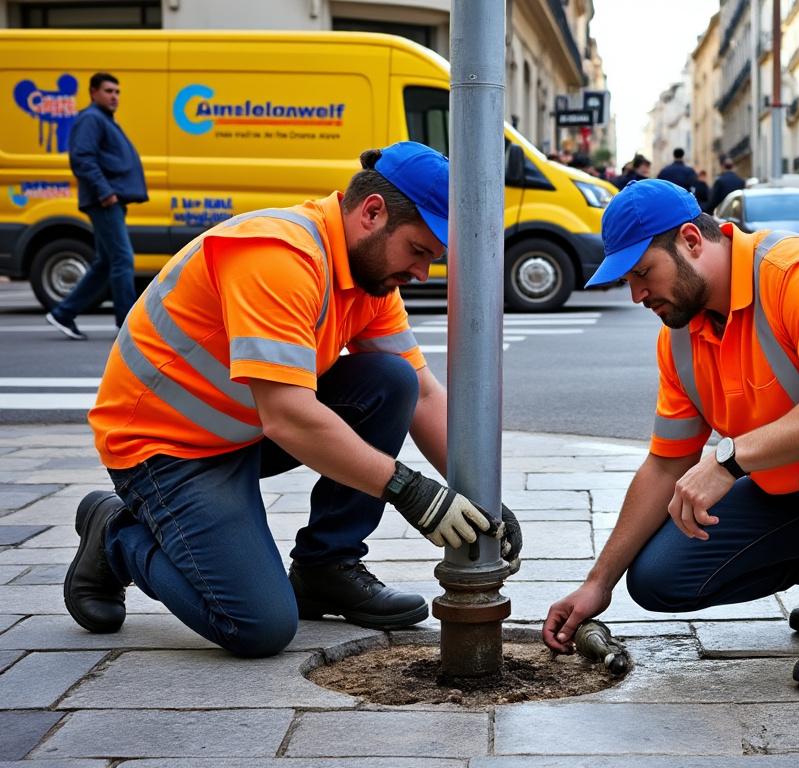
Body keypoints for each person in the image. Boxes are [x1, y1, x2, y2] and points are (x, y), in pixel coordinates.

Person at [63, 142, 523, 657]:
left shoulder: (369, 281)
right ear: (372, 214)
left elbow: (423, 394)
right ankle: (115, 532)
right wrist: (410, 491)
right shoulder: (279, 256)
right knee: (258, 627)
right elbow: (287, 418)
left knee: (393, 381)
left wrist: (485, 498)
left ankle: (327, 568)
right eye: (419, 251)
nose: (422, 273)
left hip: (242, 431)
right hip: (166, 452)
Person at [542, 179, 799, 691]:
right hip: (798, 490)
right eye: (628, 280)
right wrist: (596, 585)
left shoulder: (798, 274)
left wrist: (727, 460)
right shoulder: (679, 339)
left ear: (692, 240)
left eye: (643, 272)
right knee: (658, 579)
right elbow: (665, 465)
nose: (638, 295)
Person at [45, 72, 147, 341]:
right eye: (108, 91)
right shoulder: (92, 118)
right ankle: (127, 325)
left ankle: (63, 313)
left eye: (117, 92)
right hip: (104, 201)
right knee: (123, 259)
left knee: (105, 262)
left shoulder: (102, 119)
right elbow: (82, 158)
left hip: (109, 199)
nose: (114, 96)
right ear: (93, 92)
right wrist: (106, 194)